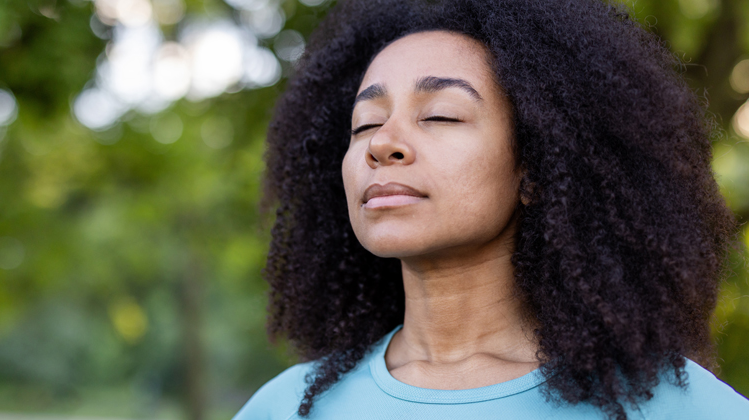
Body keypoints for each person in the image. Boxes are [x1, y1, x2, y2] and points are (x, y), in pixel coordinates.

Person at [234, 0, 749, 418]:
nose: (382, 143)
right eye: (365, 124)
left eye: (440, 115)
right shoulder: (286, 408)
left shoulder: (670, 407)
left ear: (537, 166)